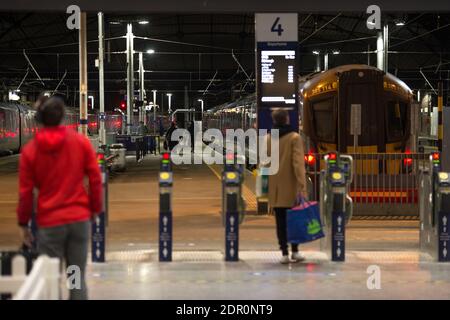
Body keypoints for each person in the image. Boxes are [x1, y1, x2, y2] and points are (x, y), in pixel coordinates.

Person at [17, 96, 102, 300]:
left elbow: (25, 193)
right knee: (76, 277)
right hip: (78, 221)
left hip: (50, 225)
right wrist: (95, 210)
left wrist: (23, 224)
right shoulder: (80, 143)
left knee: (51, 280)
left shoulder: (30, 151)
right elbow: (96, 179)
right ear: (63, 117)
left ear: (39, 119)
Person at [266, 109, 307, 264]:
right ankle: (295, 251)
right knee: (294, 220)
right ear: (287, 119)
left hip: (275, 188)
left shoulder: (269, 138)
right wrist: (302, 187)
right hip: (291, 188)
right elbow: (298, 164)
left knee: (280, 222)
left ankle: (284, 252)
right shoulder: (294, 138)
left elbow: (265, 164)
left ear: (274, 121)